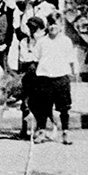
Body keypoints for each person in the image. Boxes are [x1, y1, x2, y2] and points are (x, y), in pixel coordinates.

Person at [31, 12, 77, 145]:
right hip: (45, 77)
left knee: (64, 108)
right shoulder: (42, 41)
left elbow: (71, 60)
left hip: (61, 77)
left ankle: (65, 133)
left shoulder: (66, 41)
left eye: (56, 23)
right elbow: (35, 58)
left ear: (61, 25)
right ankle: (41, 132)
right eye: (50, 23)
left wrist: (75, 73)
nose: (53, 26)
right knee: (44, 107)